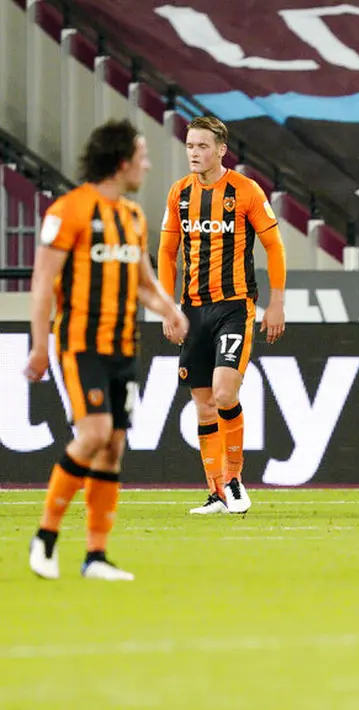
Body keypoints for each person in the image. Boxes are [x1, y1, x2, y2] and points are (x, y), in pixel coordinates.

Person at [26, 119, 188, 581]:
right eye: (142, 156)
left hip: (123, 348)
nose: (148, 165)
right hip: (81, 344)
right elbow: (42, 284)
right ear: (122, 163)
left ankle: (95, 556)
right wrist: (40, 345)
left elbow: (143, 283)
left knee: (113, 448)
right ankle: (46, 536)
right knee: (95, 433)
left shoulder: (132, 218)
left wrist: (168, 309)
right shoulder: (68, 211)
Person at [159, 116, 287, 516]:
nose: (194, 153)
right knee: (202, 404)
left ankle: (233, 480)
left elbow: (275, 246)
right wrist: (167, 306)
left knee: (224, 393)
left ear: (220, 150)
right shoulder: (179, 194)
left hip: (234, 306)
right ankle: (215, 491)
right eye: (189, 146)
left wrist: (277, 303)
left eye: (201, 146)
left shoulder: (245, 191)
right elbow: (165, 253)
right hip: (193, 309)